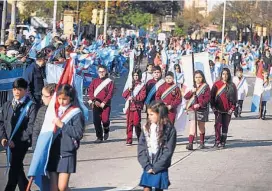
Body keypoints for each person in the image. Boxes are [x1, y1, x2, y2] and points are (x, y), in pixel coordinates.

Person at [0, 78, 36, 191]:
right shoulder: (7, 105)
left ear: (25, 91)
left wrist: (17, 141)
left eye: (19, 89)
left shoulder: (31, 106)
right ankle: (25, 189)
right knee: (17, 167)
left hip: (21, 143)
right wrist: (3, 137)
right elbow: (1, 122)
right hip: (8, 142)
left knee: (15, 167)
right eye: (14, 89)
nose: (16, 92)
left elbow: (31, 127)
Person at [47, 84, 84, 191]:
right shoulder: (54, 111)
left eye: (64, 99)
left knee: (62, 187)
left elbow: (78, 133)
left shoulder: (76, 113)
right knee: (53, 188)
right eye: (59, 98)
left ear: (71, 98)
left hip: (67, 152)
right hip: (53, 151)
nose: (61, 101)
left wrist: (63, 125)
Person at [138, 101, 176, 191]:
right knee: (146, 187)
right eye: (148, 114)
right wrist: (146, 165)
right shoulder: (146, 127)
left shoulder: (169, 129)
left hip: (160, 164)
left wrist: (156, 168)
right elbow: (141, 147)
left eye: (151, 114)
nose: (149, 117)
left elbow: (168, 151)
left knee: (159, 188)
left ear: (160, 114)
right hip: (148, 162)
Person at [211, 68, 237, 148]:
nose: (225, 75)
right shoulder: (216, 84)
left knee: (225, 126)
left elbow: (235, 99)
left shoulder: (232, 85)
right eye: (223, 74)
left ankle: (223, 141)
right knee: (218, 125)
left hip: (228, 110)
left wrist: (232, 108)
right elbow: (211, 97)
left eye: (226, 74)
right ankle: (217, 141)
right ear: (221, 75)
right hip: (218, 109)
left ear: (229, 75)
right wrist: (213, 107)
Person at [184, 70, 211, 150]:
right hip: (192, 109)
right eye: (196, 77)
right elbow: (186, 97)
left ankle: (202, 143)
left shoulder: (206, 86)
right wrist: (191, 91)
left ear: (202, 77)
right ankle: (190, 143)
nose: (198, 79)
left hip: (202, 109)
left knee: (201, 126)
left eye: (199, 77)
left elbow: (207, 98)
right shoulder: (192, 86)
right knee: (192, 125)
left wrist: (199, 104)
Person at [88, 65, 115, 143]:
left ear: (106, 71)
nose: (101, 73)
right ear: (97, 72)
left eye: (103, 71)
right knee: (96, 121)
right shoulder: (94, 81)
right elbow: (90, 91)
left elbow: (110, 93)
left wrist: (104, 102)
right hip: (96, 104)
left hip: (105, 105)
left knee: (105, 120)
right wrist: (94, 100)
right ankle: (99, 137)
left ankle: (106, 129)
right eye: (100, 72)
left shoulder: (109, 82)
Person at [122, 69, 146, 146]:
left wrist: (135, 98)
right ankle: (129, 139)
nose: (136, 77)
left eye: (137, 75)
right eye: (134, 75)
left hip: (137, 107)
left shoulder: (142, 85)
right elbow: (124, 95)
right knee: (129, 124)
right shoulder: (130, 84)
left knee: (136, 123)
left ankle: (140, 138)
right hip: (129, 106)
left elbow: (142, 96)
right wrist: (129, 90)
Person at [32, 83, 56, 149]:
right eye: (42, 95)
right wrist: (35, 148)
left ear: (53, 96)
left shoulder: (61, 112)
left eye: (45, 96)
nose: (42, 98)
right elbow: (36, 131)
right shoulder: (41, 110)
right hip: (42, 148)